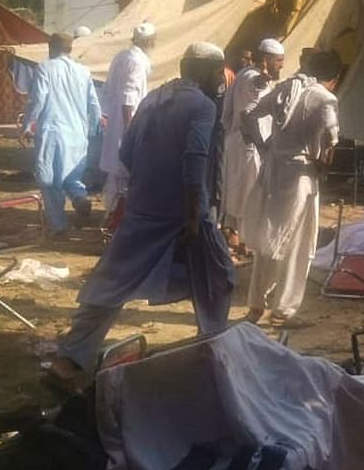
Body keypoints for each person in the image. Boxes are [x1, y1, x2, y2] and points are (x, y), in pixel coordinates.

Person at [46, 42, 235, 386]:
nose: (221, 77)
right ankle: (213, 347)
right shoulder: (202, 106)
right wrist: (193, 216)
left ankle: (70, 358)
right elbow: (195, 162)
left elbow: (128, 153)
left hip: (144, 208)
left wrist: (148, 186)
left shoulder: (154, 99)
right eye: (219, 70)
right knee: (218, 277)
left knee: (111, 284)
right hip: (184, 211)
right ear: (209, 71)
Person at [243, 51, 341, 327]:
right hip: (301, 174)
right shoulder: (325, 98)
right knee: (298, 244)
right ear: (334, 78)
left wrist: (266, 146)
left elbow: (249, 115)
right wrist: (322, 164)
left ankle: (256, 305)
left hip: (274, 170)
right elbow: (332, 140)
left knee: (269, 236)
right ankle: (283, 310)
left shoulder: (287, 87)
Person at [22, 33, 102, 235]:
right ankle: (80, 198)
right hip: (77, 134)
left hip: (52, 132)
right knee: (72, 176)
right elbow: (94, 104)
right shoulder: (83, 72)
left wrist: (27, 125)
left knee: (50, 181)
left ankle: (58, 226)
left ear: (51, 47)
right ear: (70, 49)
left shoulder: (45, 68)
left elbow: (37, 100)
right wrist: (91, 131)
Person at [220, 39, 285, 243]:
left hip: (244, 144)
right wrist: (262, 145)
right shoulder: (253, 78)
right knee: (247, 194)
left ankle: (235, 234)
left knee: (240, 192)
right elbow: (250, 111)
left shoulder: (244, 74)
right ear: (266, 60)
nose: (281, 65)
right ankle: (240, 238)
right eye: (279, 60)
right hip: (250, 143)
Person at [99, 22, 155, 214]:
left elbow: (108, 90)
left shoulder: (122, 56)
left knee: (117, 175)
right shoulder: (137, 61)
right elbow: (128, 96)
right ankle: (118, 219)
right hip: (126, 123)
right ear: (149, 41)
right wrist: (130, 129)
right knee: (125, 173)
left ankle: (113, 215)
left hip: (117, 121)